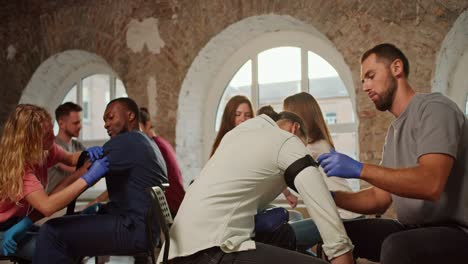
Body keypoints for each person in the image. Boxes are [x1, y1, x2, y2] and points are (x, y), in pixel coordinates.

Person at [317, 43, 468, 264]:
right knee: (337, 235)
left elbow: (430, 183)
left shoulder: (435, 109)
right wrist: (329, 198)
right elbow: (379, 199)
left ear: (396, 68)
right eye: (363, 81)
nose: (366, 86)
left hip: (457, 232)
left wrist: (360, 170)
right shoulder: (394, 131)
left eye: (371, 76)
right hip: (412, 228)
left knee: (398, 246)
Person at [159, 112, 354, 264]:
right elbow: (323, 209)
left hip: (175, 252)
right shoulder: (287, 140)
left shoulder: (237, 136)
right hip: (211, 250)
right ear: (294, 129)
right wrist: (341, 253)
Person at [33, 98, 168, 263]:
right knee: (72, 228)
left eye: (111, 117)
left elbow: (78, 177)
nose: (106, 124)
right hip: (147, 231)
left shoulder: (125, 142)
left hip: (132, 230)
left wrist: (45, 204)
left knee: (51, 231)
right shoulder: (148, 142)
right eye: (104, 120)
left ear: (130, 115)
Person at [0, 104, 108, 261]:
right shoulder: (19, 168)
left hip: (16, 222)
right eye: (46, 134)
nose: (52, 136)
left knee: (59, 238)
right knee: (53, 249)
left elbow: (70, 159)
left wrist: (87, 154)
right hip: (2, 228)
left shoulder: (45, 150)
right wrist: (88, 178)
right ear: (30, 140)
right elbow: (47, 206)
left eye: (51, 129)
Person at [283, 92, 362, 251]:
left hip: (344, 218)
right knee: (293, 240)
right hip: (347, 215)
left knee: (283, 238)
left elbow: (281, 172)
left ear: (296, 120)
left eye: (284, 116)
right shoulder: (318, 144)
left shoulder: (311, 149)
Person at [139, 107, 185, 216]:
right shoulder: (161, 142)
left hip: (170, 209)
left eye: (138, 128)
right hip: (178, 205)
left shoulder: (153, 146)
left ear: (147, 124)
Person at [46, 102, 86, 193]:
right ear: (61, 124)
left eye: (80, 122)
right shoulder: (51, 146)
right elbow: (74, 170)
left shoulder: (78, 146)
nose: (80, 126)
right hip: (51, 203)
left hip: (69, 202)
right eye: (76, 123)